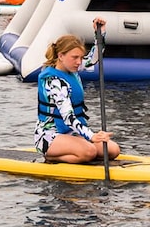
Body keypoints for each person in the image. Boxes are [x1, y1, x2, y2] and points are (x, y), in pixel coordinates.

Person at [34, 18, 121, 164]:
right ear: (60, 56)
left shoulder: (72, 69)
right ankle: (50, 157)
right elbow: (68, 117)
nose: (79, 62)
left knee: (113, 150)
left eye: (80, 57)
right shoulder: (54, 82)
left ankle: (79, 150)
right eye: (75, 57)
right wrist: (91, 136)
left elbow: (93, 59)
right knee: (90, 151)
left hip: (71, 133)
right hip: (49, 136)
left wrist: (100, 34)